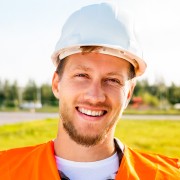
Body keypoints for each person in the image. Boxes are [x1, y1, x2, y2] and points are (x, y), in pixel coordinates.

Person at [0, 2, 179, 180]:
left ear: (129, 94)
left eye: (112, 80)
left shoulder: (168, 176)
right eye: (82, 75)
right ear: (56, 84)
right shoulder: (5, 171)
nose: (95, 96)